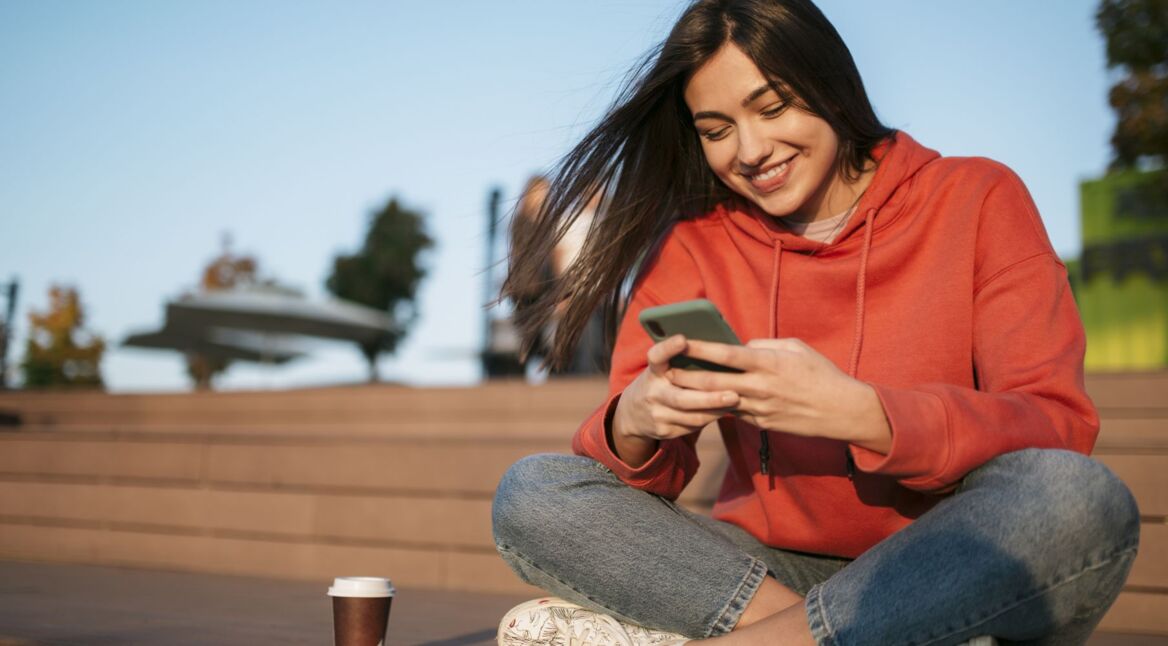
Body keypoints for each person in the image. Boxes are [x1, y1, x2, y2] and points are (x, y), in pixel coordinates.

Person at [493, 1, 1140, 644]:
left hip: (954, 554)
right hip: (764, 572)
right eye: (717, 130)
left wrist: (864, 414)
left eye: (772, 108)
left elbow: (1053, 425)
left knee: (1077, 498)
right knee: (535, 492)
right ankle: (867, 634)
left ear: (830, 82)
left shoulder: (976, 198)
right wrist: (633, 422)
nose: (751, 150)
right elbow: (642, 478)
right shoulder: (695, 246)